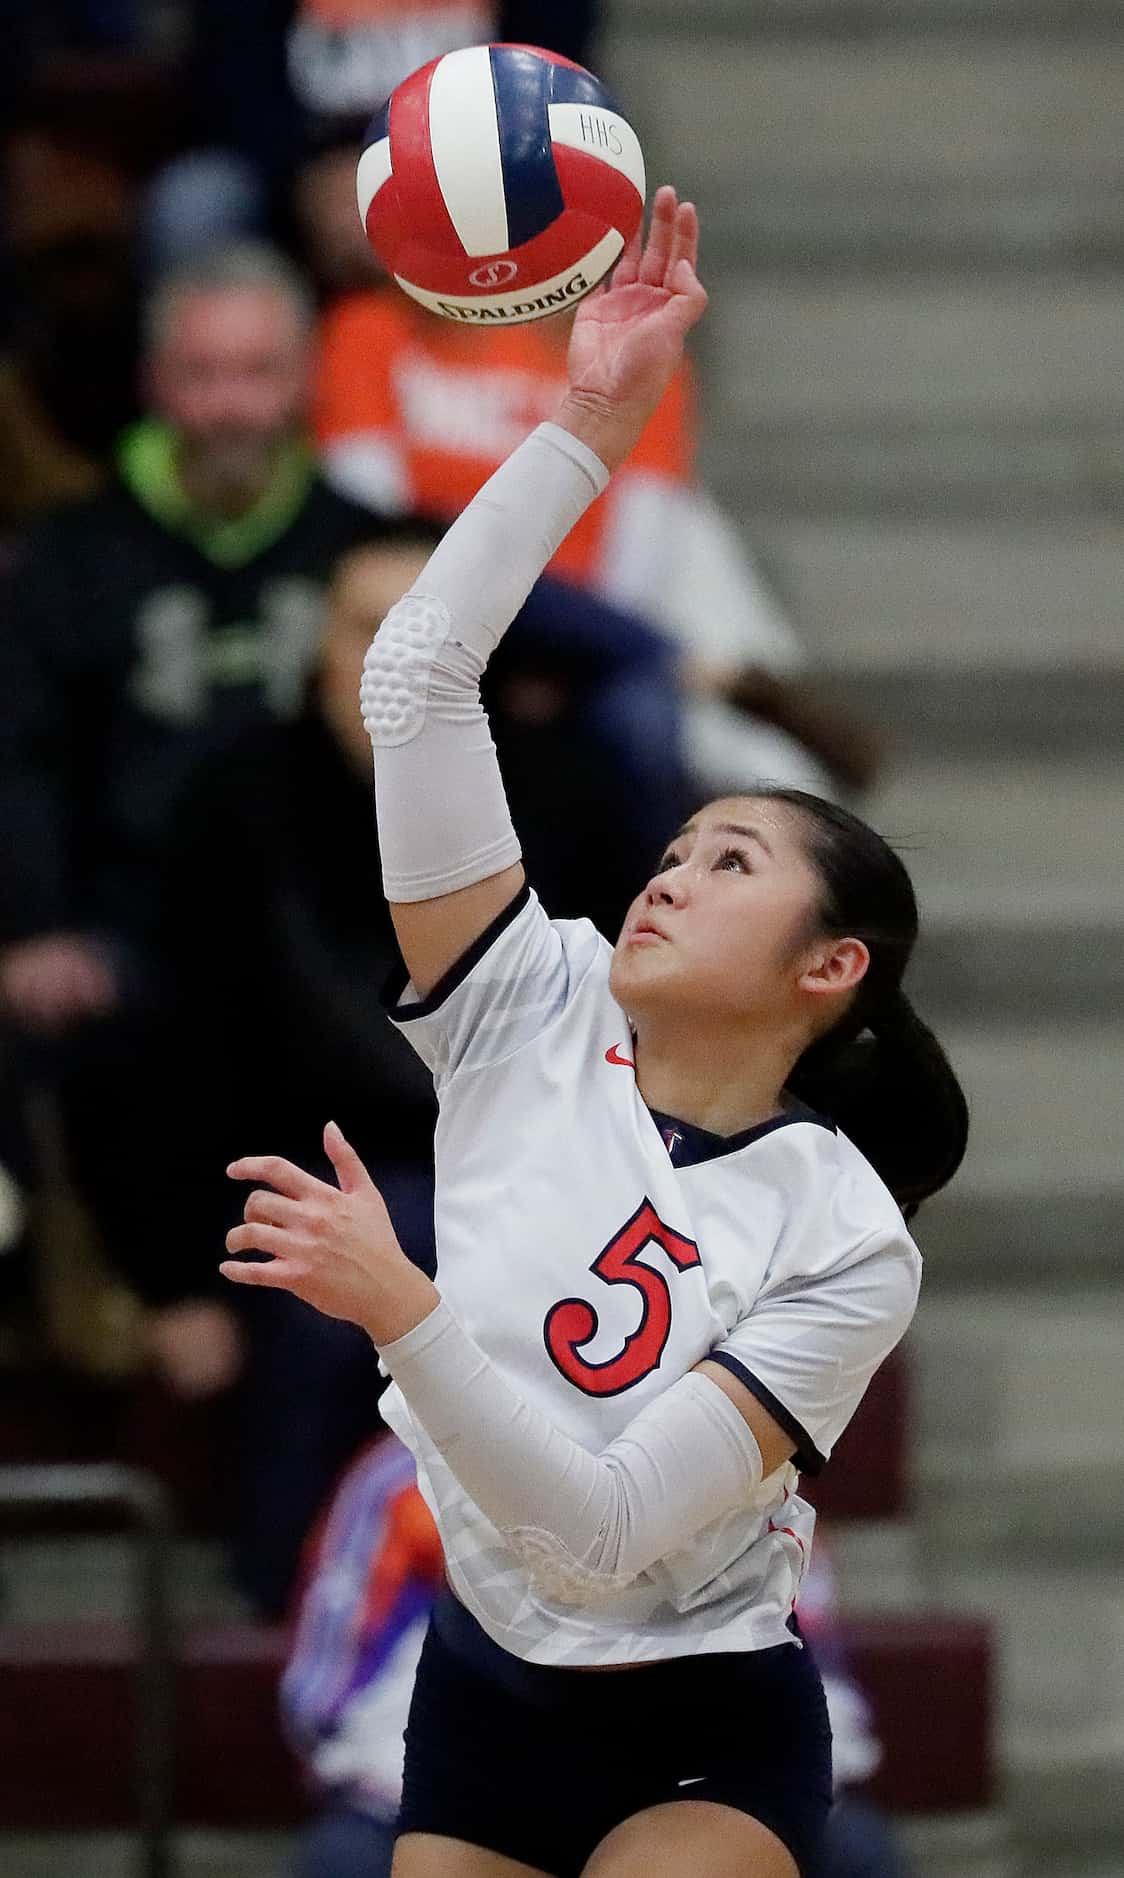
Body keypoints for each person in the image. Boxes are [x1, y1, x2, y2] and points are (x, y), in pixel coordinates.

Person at [220, 190, 968, 1878]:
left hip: (701, 1707)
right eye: (673, 839)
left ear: (825, 965)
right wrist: (586, 423)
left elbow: (605, 1534)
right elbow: (415, 671)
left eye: (729, 860)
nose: (664, 872)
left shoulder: (838, 1230)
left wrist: (398, 1308)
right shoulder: (524, 1002)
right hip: (483, 1695)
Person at [143, 527, 666, 1614]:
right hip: (309, 1184)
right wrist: (175, 1280)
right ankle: (301, 1644)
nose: (392, 662)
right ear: (317, 650)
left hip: (544, 1181)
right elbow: (174, 1061)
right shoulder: (232, 799)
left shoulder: (572, 787)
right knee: (324, 1314)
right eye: (366, 632)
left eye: (421, 634)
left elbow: (644, 1023)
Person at [0, 241, 381, 1362]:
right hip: (129, 928)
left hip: (330, 934)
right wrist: (29, 928)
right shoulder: (72, 558)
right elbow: (21, 757)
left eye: (256, 373)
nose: (229, 406)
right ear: (159, 385)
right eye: (204, 375)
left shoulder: (366, 551)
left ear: (303, 382)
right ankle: (133, 1297)